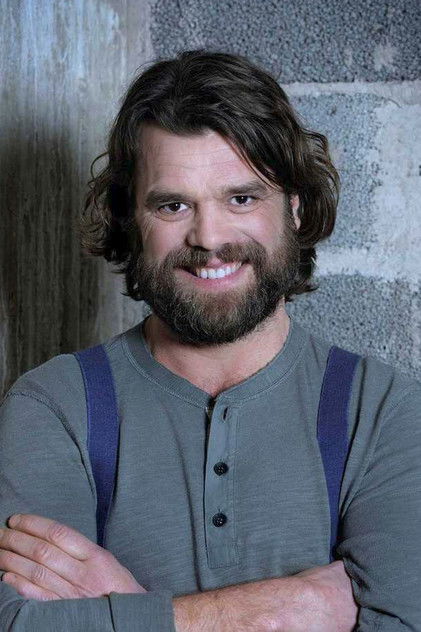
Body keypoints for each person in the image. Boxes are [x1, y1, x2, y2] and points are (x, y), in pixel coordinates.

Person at [0, 49, 420, 631]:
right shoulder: (55, 406)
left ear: (294, 208)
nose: (209, 236)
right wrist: (291, 610)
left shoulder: (383, 412)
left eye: (241, 198)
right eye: (173, 205)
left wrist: (127, 610)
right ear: (131, 219)